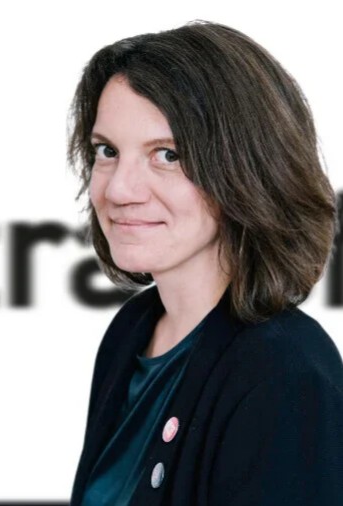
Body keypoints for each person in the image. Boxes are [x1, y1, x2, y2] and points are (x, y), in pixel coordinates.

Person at [66, 20, 343, 506]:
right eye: (107, 151)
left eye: (167, 155)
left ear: (246, 170)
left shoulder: (285, 374)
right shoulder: (133, 328)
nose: (118, 189)